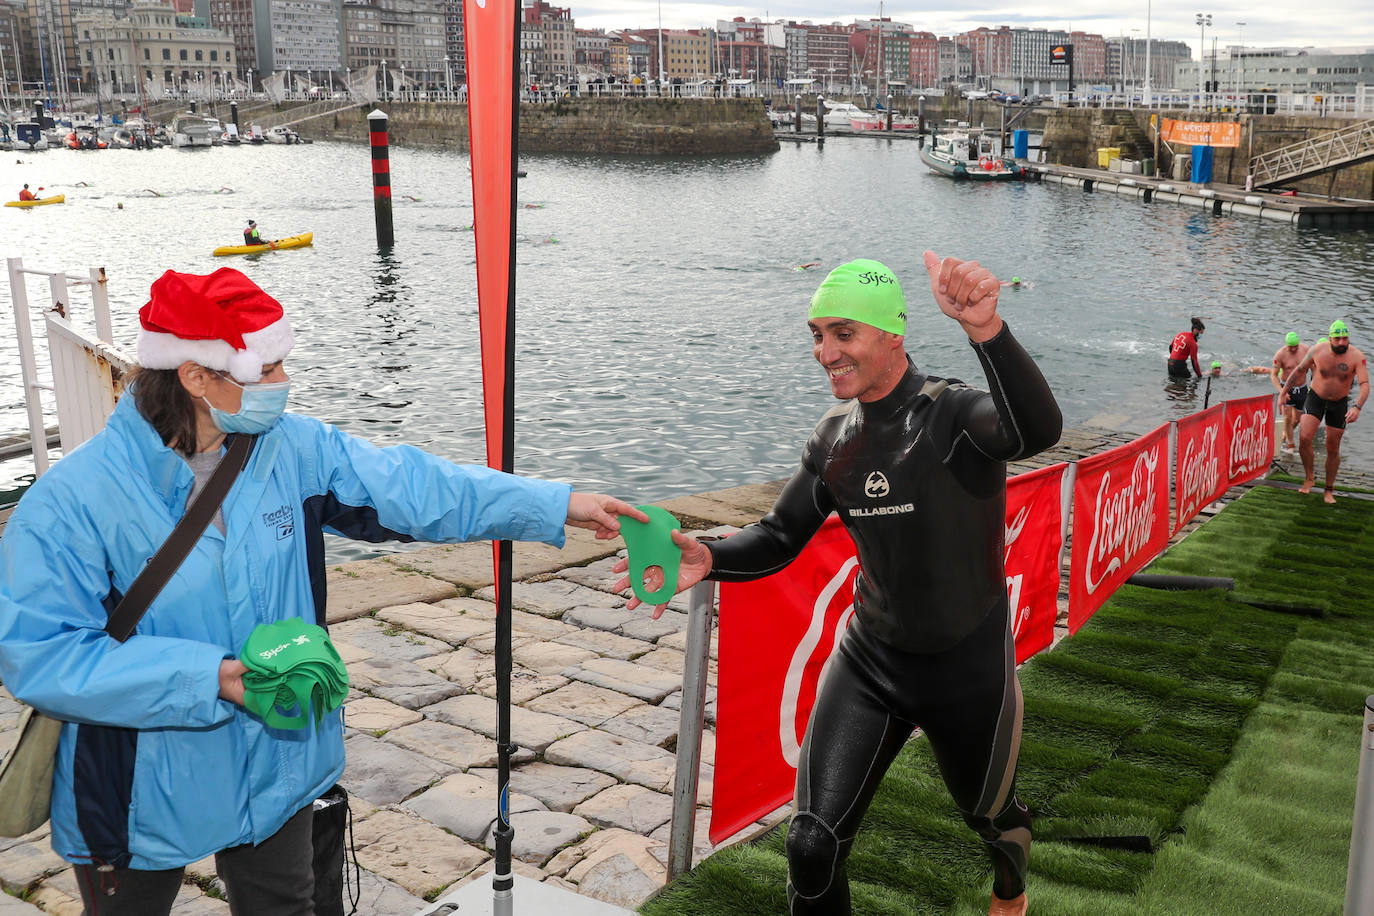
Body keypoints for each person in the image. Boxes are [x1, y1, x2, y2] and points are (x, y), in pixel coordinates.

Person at [0, 267, 647, 916]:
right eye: (267, 370)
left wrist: (558, 503)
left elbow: (416, 487)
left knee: (289, 907)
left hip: (277, 758)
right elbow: (43, 655)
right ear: (195, 378)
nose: (283, 385)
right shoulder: (70, 503)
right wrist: (213, 678)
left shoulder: (293, 449)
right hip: (134, 783)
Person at [616, 253, 1061, 916]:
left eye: (842, 334)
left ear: (891, 336)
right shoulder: (833, 441)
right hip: (872, 662)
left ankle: (1011, 891)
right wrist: (709, 558)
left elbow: (1038, 431)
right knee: (810, 843)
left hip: (966, 666)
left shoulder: (955, 415)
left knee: (992, 819)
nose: (825, 352)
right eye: (817, 335)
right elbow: (777, 537)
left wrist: (987, 331)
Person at [1280, 319, 1369, 503]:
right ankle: (1309, 477)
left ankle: (1329, 489)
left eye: (1345, 338)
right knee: (1304, 437)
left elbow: (1364, 384)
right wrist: (1283, 393)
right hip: (1316, 398)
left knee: (1333, 447)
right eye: (1338, 339)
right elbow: (1298, 371)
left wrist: (1357, 407)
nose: (1342, 342)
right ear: (1330, 338)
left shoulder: (1356, 356)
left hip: (1339, 403)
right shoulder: (1317, 351)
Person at [1272, 331, 1311, 452]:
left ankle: (1284, 435)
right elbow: (1273, 376)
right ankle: (1291, 445)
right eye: (1291, 347)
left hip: (1302, 388)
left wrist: (1314, 385)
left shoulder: (1305, 350)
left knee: (1297, 419)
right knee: (1287, 418)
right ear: (1286, 345)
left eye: (1296, 346)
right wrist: (1282, 392)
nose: (1294, 349)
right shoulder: (1280, 354)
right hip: (1286, 388)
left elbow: (1314, 367)